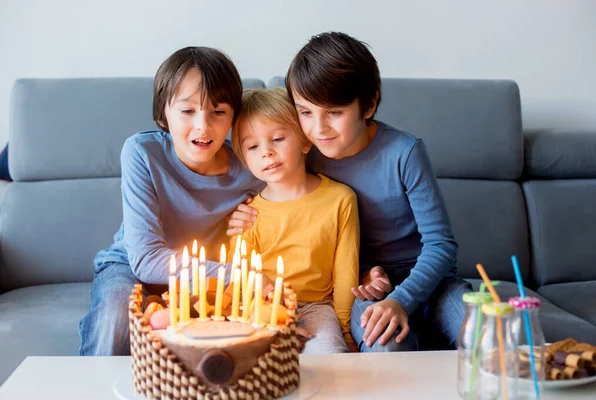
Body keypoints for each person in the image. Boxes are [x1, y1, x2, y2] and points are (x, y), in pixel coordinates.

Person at [227, 32, 472, 352]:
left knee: (487, 333)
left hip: (431, 281)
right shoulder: (301, 151)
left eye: (335, 112)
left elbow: (441, 244)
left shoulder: (404, 152)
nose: (318, 128)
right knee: (384, 347)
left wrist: (401, 299)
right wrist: (238, 211)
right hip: (364, 285)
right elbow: (259, 177)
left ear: (368, 104)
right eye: (305, 112)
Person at [79, 46, 264, 356]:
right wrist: (238, 274)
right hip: (131, 268)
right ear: (163, 112)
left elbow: (294, 204)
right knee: (115, 318)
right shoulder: (142, 152)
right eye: (188, 111)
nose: (203, 126)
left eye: (218, 112)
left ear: (234, 116)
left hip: (202, 278)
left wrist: (256, 218)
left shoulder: (253, 168)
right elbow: (146, 259)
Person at [231, 87, 359, 353]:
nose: (266, 152)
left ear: (304, 141)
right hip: (264, 308)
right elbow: (240, 279)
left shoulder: (340, 200)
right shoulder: (247, 215)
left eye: (277, 138)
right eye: (253, 146)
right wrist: (271, 314)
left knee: (331, 359)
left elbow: (346, 274)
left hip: (317, 309)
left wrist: (347, 332)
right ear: (245, 160)